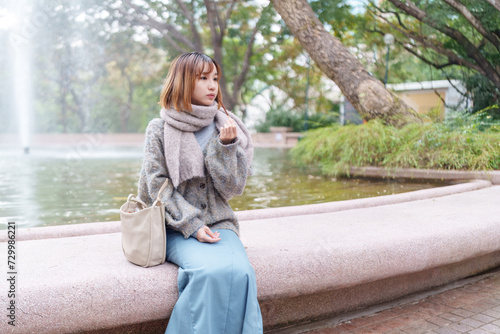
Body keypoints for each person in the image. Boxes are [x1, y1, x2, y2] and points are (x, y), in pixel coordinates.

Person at [137, 52, 263, 334]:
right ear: (183, 82)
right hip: (173, 227)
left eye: (215, 78)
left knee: (241, 272)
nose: (212, 86)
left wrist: (226, 147)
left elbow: (233, 188)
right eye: (203, 78)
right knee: (208, 272)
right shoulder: (159, 129)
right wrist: (192, 225)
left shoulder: (226, 126)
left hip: (219, 223)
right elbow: (156, 185)